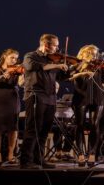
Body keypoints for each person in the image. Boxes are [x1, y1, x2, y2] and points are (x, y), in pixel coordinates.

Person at [20, 34, 68, 169]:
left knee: (44, 131)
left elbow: (62, 76)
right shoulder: (30, 56)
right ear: (46, 45)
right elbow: (30, 67)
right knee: (33, 129)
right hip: (35, 95)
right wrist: (56, 65)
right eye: (55, 45)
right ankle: (26, 161)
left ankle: (39, 159)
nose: (57, 48)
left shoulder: (53, 61)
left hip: (51, 98)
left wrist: (72, 68)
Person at [69, 44, 104, 167]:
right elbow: (69, 77)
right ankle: (80, 154)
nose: (94, 55)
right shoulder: (77, 65)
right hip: (81, 97)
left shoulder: (99, 65)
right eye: (91, 53)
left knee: (94, 125)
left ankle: (92, 153)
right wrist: (82, 73)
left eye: (95, 53)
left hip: (98, 97)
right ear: (84, 53)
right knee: (80, 125)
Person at [0, 49, 25, 165]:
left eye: (16, 58)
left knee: (13, 128)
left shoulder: (17, 70)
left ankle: (10, 154)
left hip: (13, 99)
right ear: (5, 56)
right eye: (12, 57)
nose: (14, 60)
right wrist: (2, 75)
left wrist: (23, 74)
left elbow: (21, 84)